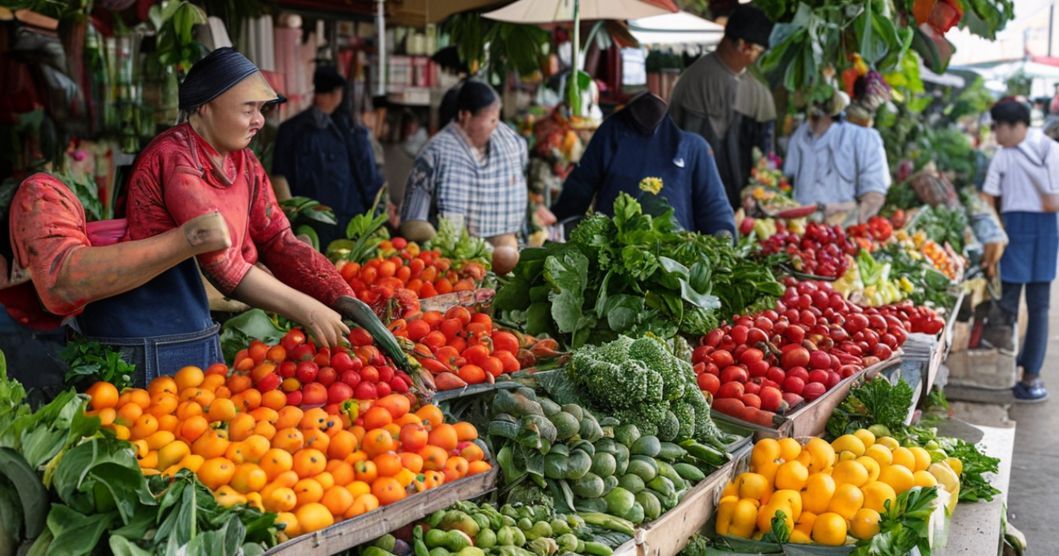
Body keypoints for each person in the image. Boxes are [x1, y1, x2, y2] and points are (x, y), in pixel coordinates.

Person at [56, 47, 391, 384]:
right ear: (205, 106)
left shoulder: (243, 161)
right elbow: (224, 267)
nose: (260, 120)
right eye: (248, 109)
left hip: (195, 328)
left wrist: (342, 297)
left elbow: (279, 240)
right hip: (146, 337)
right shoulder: (175, 157)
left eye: (261, 109)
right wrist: (307, 309)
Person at [1, 176, 232, 391]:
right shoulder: (38, 194)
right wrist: (190, 239)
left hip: (162, 343)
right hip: (138, 345)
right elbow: (63, 282)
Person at [551, 92, 735, 237]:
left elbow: (715, 208)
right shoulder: (612, 132)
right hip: (612, 256)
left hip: (677, 262)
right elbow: (578, 189)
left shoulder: (693, 146)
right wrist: (563, 225)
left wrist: (723, 237)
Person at [399, 80, 533, 273]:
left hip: (500, 258)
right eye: (491, 120)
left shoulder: (511, 145)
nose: (496, 127)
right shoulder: (434, 154)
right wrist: (441, 247)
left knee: (507, 252)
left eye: (497, 120)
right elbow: (412, 223)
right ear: (465, 116)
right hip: (447, 264)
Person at [980, 98, 1059, 402]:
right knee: (1006, 302)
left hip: (1044, 230)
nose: (995, 133)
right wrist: (993, 231)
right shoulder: (1003, 155)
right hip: (1011, 231)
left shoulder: (1049, 150)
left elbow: (1053, 202)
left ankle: (1031, 375)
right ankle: (1003, 369)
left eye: (998, 127)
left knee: (1039, 306)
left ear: (1015, 126)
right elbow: (987, 196)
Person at [668, 4, 775, 209]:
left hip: (741, 205)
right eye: (759, 51)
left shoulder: (758, 91)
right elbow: (683, 148)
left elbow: (765, 158)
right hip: (696, 202)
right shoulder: (695, 81)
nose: (758, 58)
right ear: (744, 46)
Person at [272, 65, 384, 247]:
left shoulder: (289, 129)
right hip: (346, 220)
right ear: (336, 94)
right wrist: (378, 209)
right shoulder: (350, 130)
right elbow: (367, 174)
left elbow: (280, 179)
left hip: (310, 222)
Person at [783, 91, 891, 222]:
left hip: (841, 229)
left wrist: (847, 220)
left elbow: (874, 196)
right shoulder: (800, 135)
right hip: (797, 226)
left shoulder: (863, 137)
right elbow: (786, 182)